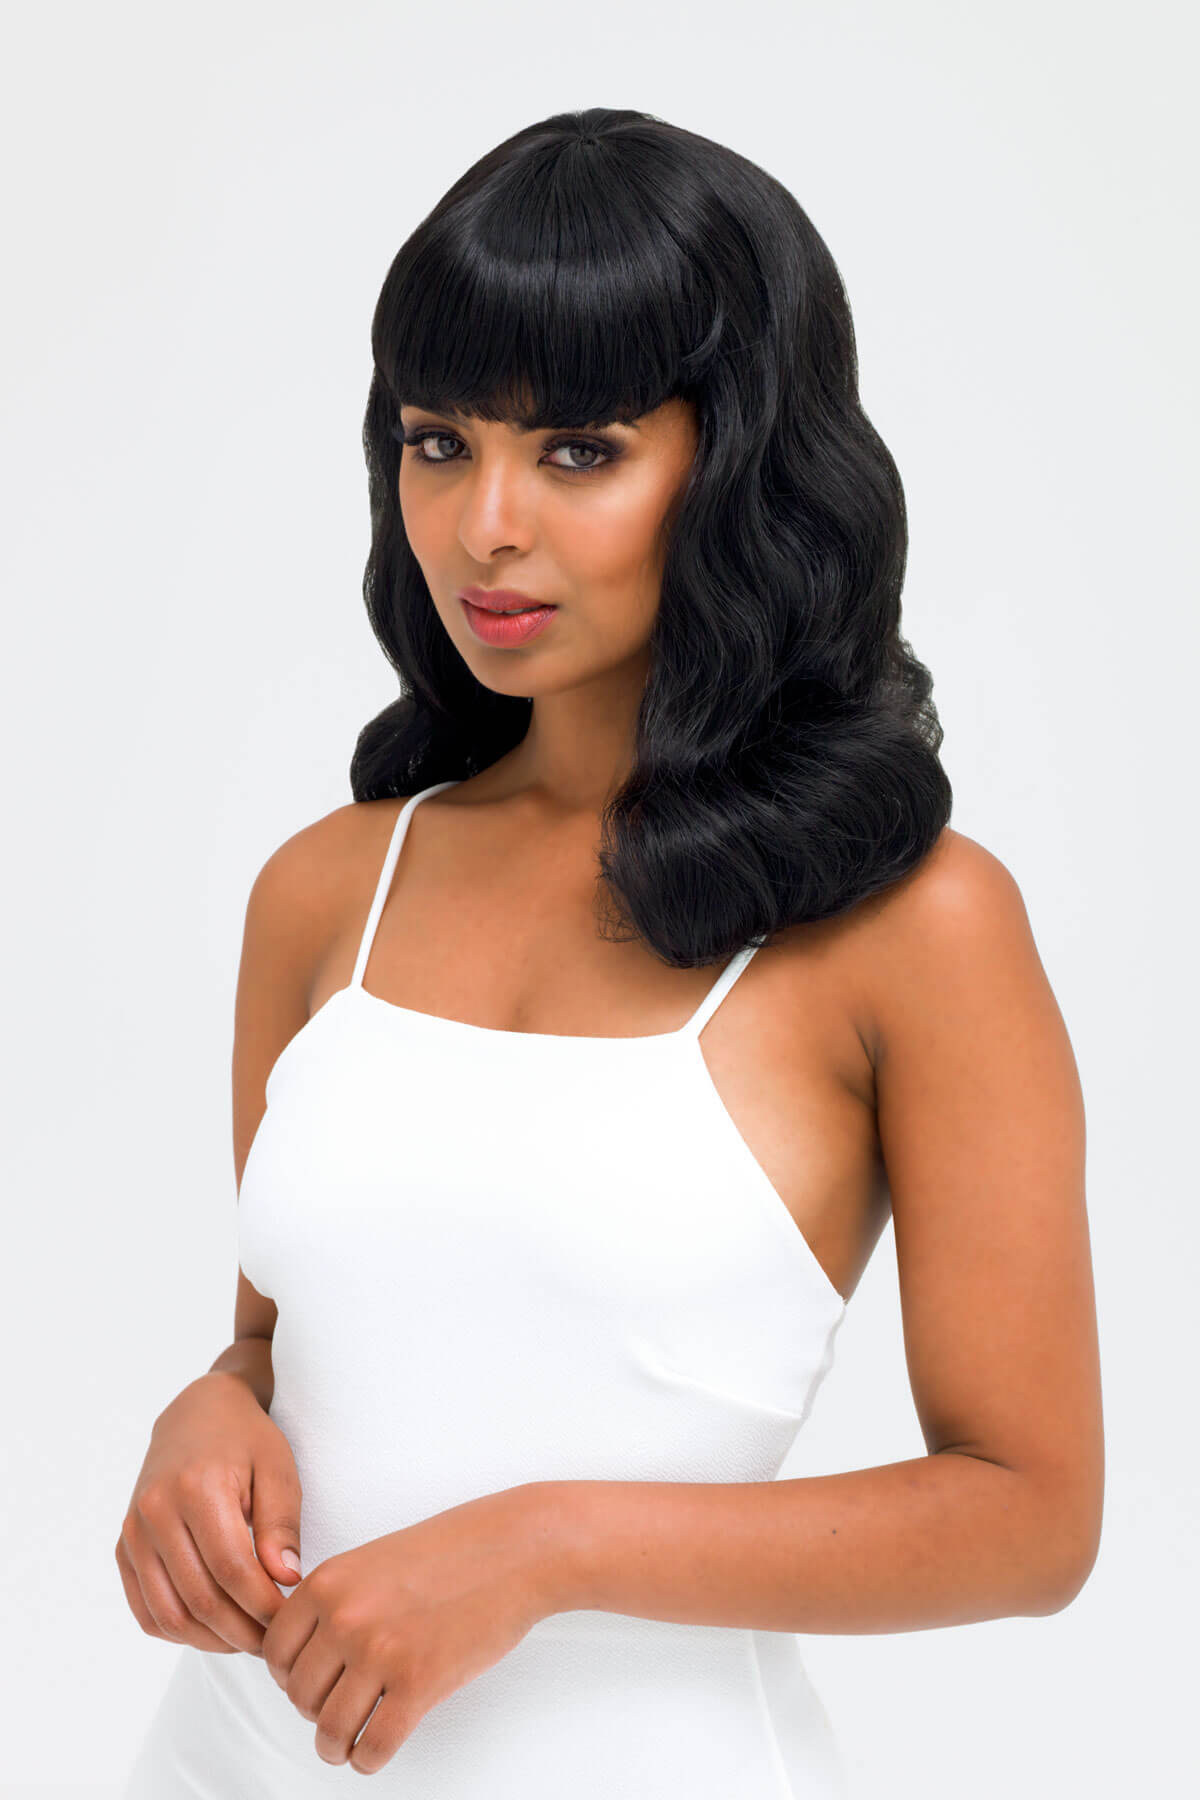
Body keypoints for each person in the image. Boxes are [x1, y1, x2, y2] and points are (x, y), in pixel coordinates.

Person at [116, 106, 1103, 1797]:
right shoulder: (325, 891)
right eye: (439, 441)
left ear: (738, 461)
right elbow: (297, 1340)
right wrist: (208, 1406)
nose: (486, 524)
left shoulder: (913, 928)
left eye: (578, 449)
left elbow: (1029, 1516)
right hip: (223, 1764)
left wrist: (546, 1549)